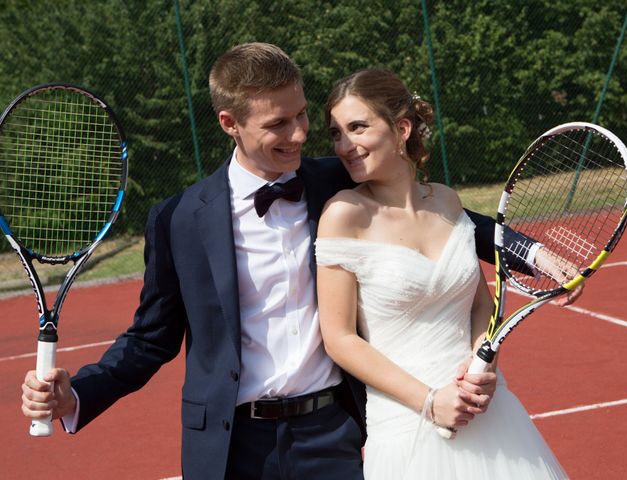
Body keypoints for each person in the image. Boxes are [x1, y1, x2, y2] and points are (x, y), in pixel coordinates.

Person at [20, 44, 573, 480]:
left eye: (303, 115)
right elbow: (150, 338)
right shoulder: (178, 219)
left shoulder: (337, 179)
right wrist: (79, 393)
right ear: (229, 123)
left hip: (333, 433)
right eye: (278, 124)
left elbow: (452, 221)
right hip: (232, 444)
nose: (301, 134)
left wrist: (535, 255)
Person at [315, 68, 568, 480]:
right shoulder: (343, 215)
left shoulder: (448, 201)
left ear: (401, 128)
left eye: (357, 127)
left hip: (489, 412)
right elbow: (340, 339)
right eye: (336, 133)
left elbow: (480, 306)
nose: (344, 145)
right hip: (407, 426)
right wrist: (431, 401)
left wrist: (483, 367)